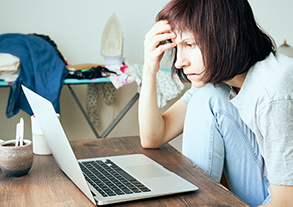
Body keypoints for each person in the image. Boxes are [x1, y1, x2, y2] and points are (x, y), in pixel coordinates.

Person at [139, 0, 293, 206]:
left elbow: (285, 202)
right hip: (268, 189)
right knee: (209, 95)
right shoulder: (222, 80)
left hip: (282, 198)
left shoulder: (274, 92)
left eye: (190, 45)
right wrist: (149, 69)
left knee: (207, 97)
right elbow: (154, 136)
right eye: (178, 47)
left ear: (225, 36)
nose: (179, 62)